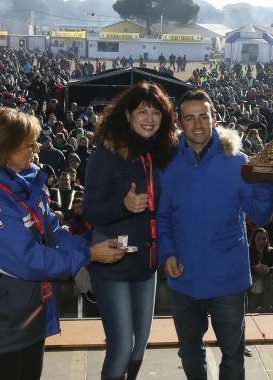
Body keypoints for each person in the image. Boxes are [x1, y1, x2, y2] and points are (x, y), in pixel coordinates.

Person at [0, 108, 126, 380]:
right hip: (2, 323)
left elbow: (53, 232)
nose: (36, 149)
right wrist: (89, 254)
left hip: (28, 314)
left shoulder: (25, 184)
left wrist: (92, 241)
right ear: (4, 149)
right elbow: (29, 261)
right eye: (28, 144)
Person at [157, 90, 273, 380]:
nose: (197, 124)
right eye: (190, 118)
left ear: (214, 119)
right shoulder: (168, 164)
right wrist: (168, 253)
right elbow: (162, 216)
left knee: (233, 353)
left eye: (204, 116)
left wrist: (267, 181)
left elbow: (259, 216)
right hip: (184, 277)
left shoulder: (236, 161)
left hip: (228, 279)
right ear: (179, 122)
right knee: (189, 352)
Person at [82, 82, 179, 380]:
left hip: (146, 264)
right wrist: (123, 205)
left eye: (155, 112)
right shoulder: (107, 153)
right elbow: (90, 211)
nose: (149, 118)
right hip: (113, 262)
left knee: (139, 348)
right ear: (127, 115)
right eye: (142, 111)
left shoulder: (165, 154)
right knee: (122, 345)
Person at [248, 228, 273, 312]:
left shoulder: (271, 251)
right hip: (252, 282)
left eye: (264, 238)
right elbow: (242, 266)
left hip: (267, 283)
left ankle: (265, 309)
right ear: (254, 239)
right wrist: (254, 268)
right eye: (258, 238)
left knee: (269, 284)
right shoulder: (248, 250)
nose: (261, 241)